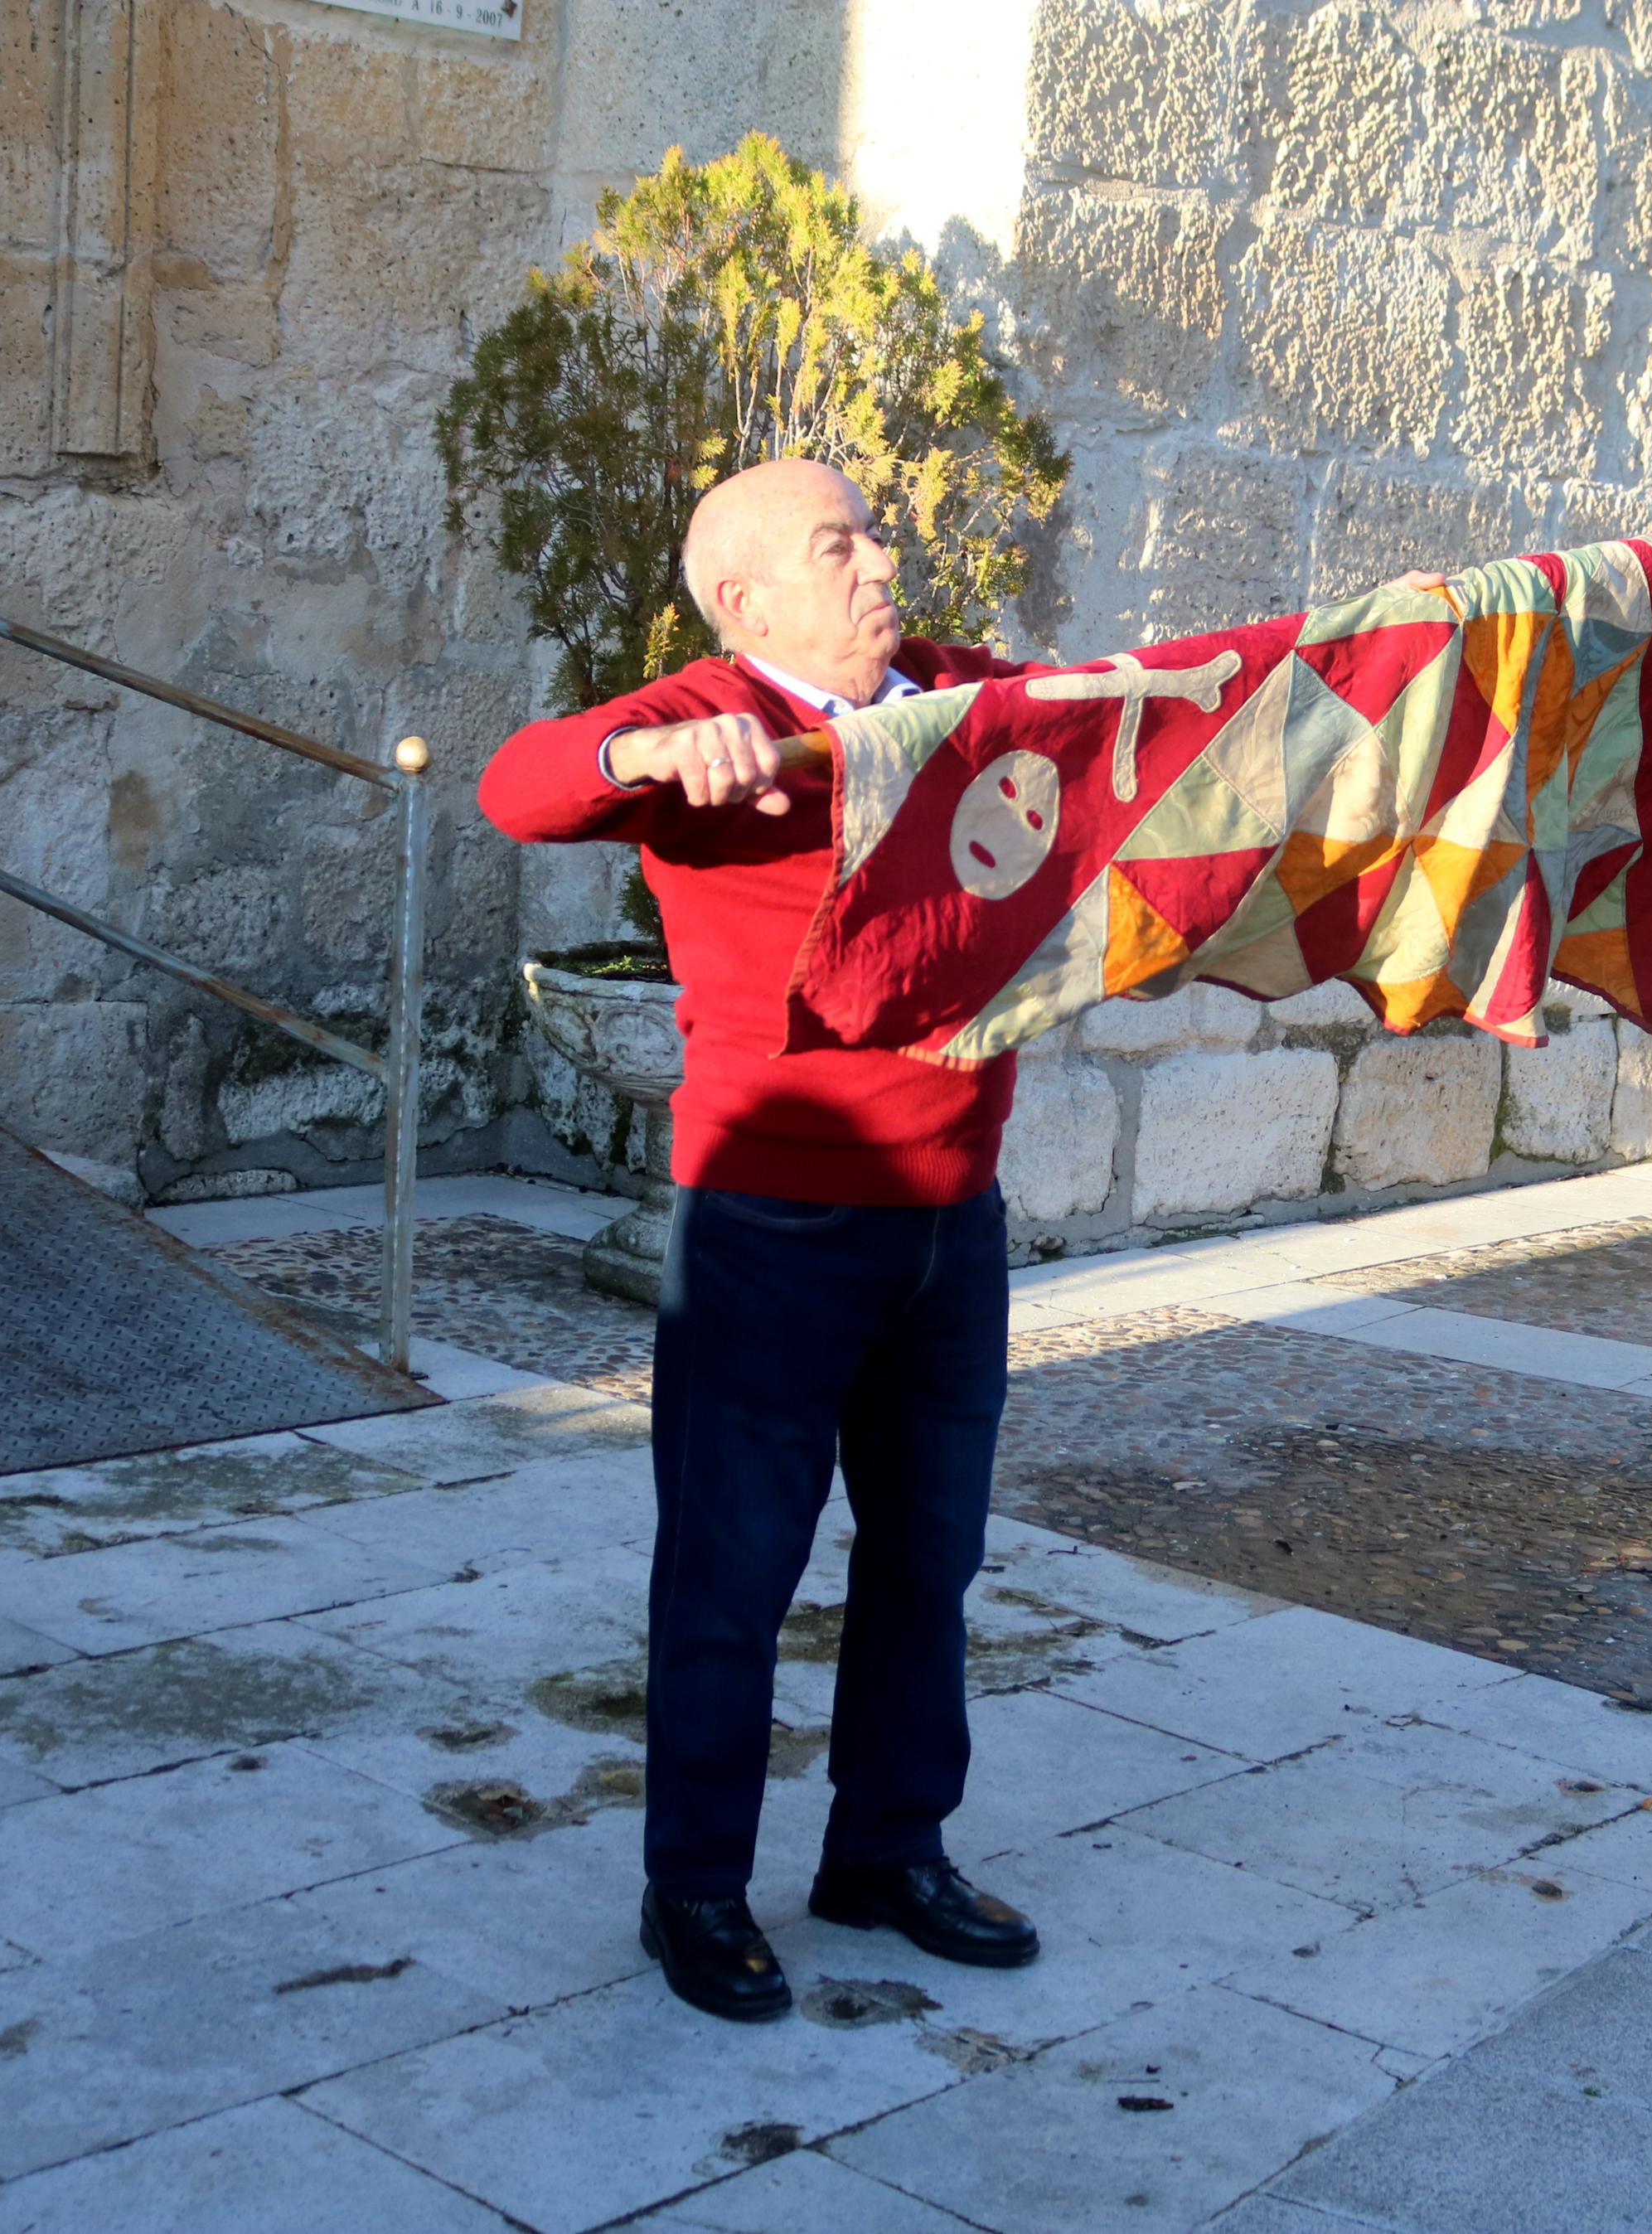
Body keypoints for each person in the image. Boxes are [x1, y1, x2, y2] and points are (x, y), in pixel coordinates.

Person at [478, 458, 1058, 2021]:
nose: (883, 560)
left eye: (873, 532)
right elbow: (520, 785)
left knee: (928, 1561)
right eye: (839, 543)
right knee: (731, 1574)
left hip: (955, 1219)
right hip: (770, 1229)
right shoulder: (708, 711)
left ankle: (887, 1850)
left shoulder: (953, 695)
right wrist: (651, 747)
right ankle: (696, 1892)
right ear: (746, 596)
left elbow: (1138, 722)